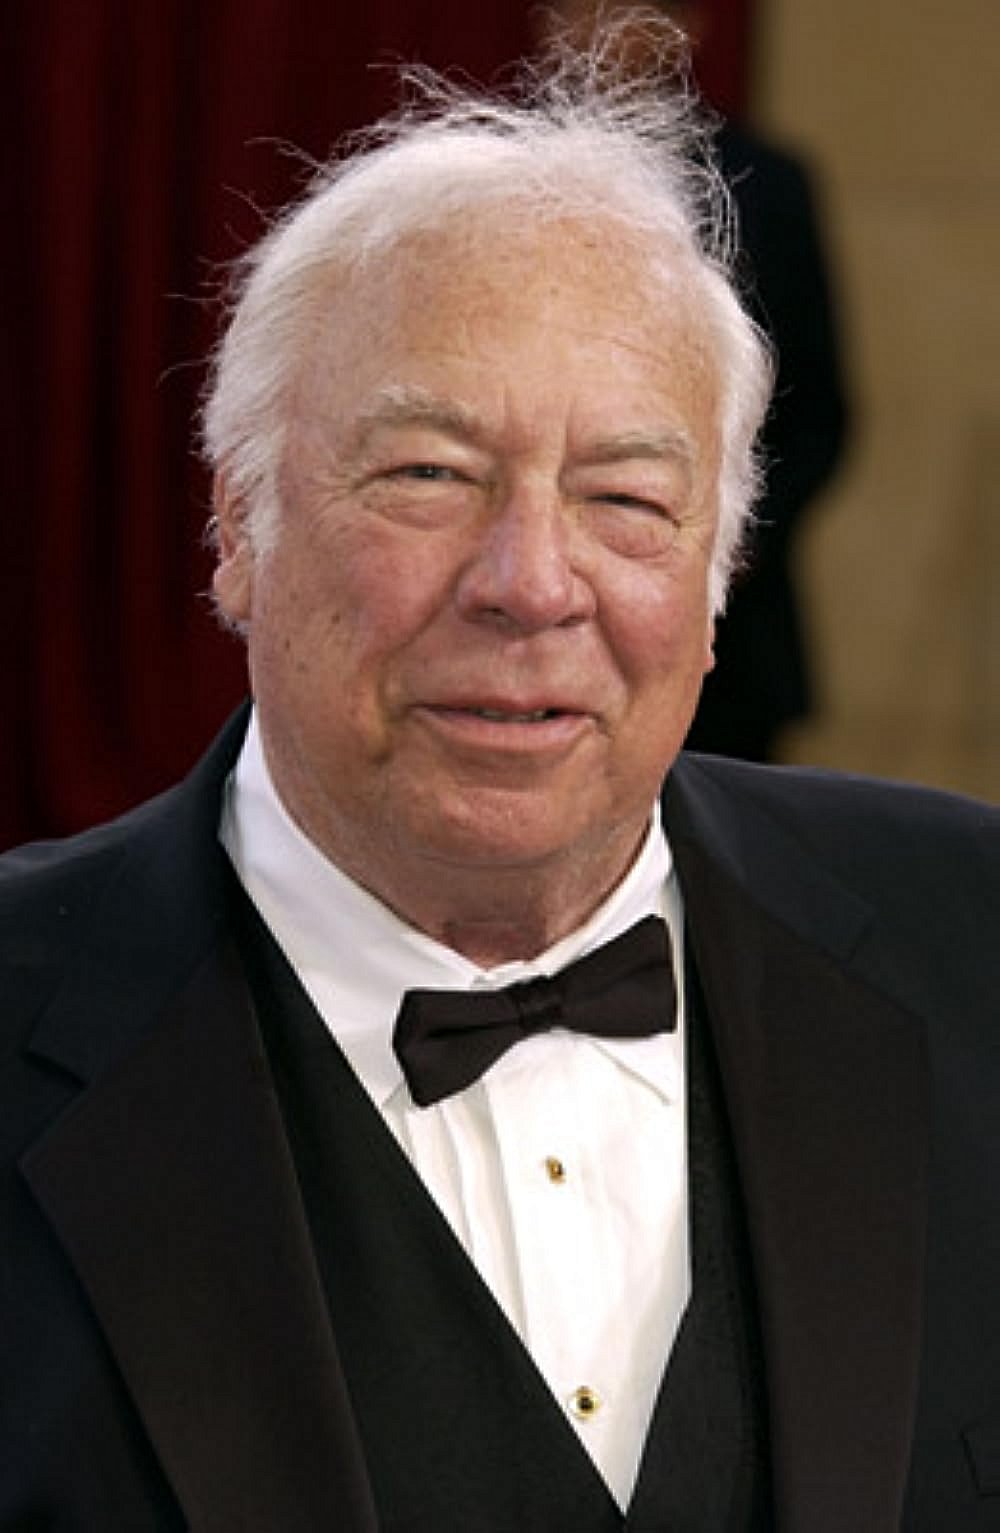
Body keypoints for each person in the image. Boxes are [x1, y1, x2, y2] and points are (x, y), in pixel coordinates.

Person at [1, 25, 997, 1533]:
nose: (532, 584)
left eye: (626, 497)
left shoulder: (975, 939)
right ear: (238, 528)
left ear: (717, 580)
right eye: (429, 475)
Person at [541, 0, 850, 762]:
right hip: (541, 596)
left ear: (688, 27)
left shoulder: (767, 186)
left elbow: (818, 412)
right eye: (577, 7)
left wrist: (723, 538)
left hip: (731, 631)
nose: (596, 29)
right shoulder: (490, 173)